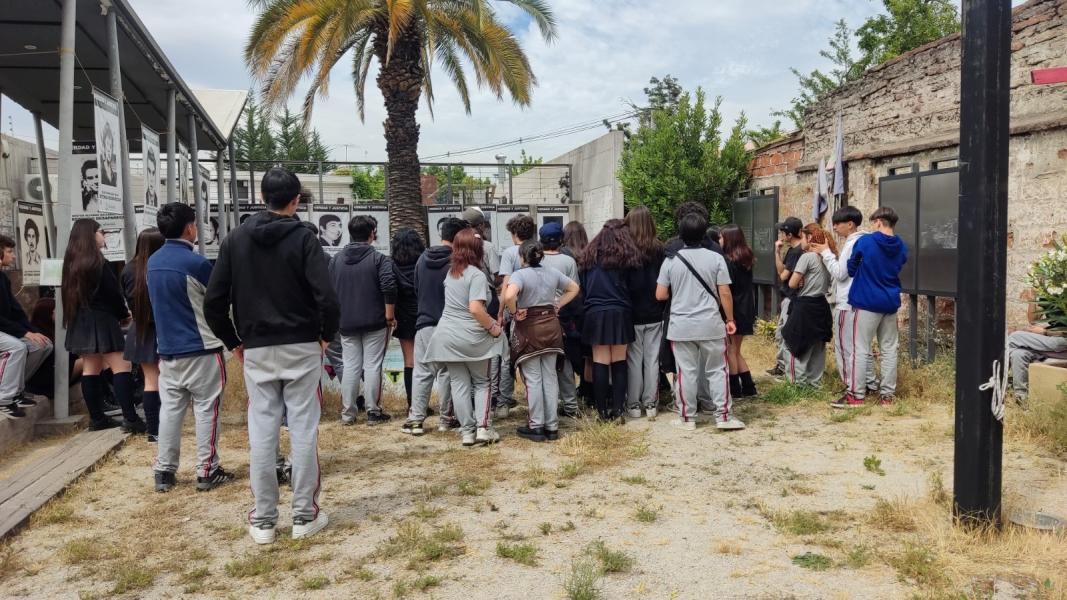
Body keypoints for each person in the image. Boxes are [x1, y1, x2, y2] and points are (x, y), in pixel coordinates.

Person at [204, 167, 339, 544]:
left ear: (261, 198)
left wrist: (233, 342)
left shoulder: (234, 239)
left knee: (262, 431)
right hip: (302, 345)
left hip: (257, 347)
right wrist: (325, 336)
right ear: (296, 201)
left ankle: (263, 519)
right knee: (303, 428)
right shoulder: (305, 238)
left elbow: (214, 302)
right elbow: (327, 298)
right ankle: (304, 514)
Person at [147, 204, 234, 492]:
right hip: (201, 349)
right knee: (207, 410)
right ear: (189, 228)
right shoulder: (196, 264)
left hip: (167, 350)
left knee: (170, 411)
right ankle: (207, 470)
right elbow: (220, 300)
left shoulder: (153, 262)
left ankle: (164, 470)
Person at [656, 211, 742, 431]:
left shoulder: (671, 261)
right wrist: (730, 319)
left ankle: (687, 418)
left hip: (681, 325)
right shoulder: (716, 258)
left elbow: (660, 295)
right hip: (711, 323)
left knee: (686, 372)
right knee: (717, 370)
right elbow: (725, 293)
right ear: (704, 233)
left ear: (681, 234)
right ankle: (723, 416)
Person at [62, 219, 144, 432]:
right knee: (122, 367)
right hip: (102, 320)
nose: (104, 235)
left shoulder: (71, 263)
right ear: (90, 235)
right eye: (101, 231)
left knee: (91, 368)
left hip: (80, 320)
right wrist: (123, 314)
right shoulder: (98, 262)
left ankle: (97, 419)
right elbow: (113, 294)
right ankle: (131, 418)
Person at [425, 228, 505, 446]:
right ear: (477, 249)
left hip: (447, 336)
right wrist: (493, 328)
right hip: (472, 337)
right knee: (482, 382)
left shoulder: (451, 273)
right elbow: (476, 309)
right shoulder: (477, 275)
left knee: (459, 384)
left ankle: (467, 432)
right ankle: (483, 428)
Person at [502, 240, 579, 441]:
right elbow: (574, 287)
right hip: (552, 327)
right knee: (550, 377)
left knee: (534, 379)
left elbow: (509, 295)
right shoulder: (552, 272)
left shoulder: (519, 274)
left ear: (522, 257)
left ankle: (536, 425)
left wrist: (514, 312)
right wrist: (558, 304)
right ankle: (552, 426)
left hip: (530, 329)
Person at [833, 206, 907, 408]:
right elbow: (900, 263)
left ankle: (856, 396)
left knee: (859, 349)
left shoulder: (866, 241)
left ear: (879, 222)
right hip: (890, 301)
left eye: (874, 222)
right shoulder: (901, 245)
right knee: (889, 349)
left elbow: (850, 269)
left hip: (866, 301)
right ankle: (887, 396)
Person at [330, 215, 396, 426]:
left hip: (346, 323)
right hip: (375, 321)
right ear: (372, 234)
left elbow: (330, 290)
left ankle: (348, 414)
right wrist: (389, 316)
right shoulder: (379, 259)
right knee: (372, 366)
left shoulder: (336, 260)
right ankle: (373, 412)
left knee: (350, 366)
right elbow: (389, 287)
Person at [401, 218, 465, 436]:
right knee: (447, 372)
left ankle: (415, 420)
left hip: (425, 323)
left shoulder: (422, 259)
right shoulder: (458, 261)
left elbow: (417, 289)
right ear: (458, 237)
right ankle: (447, 419)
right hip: (450, 324)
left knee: (421, 372)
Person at [811, 206, 876, 397]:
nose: (835, 227)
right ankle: (870, 384)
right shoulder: (868, 240)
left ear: (850, 224)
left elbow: (840, 273)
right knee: (862, 347)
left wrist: (825, 252)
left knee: (845, 347)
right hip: (862, 301)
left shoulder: (851, 243)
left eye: (838, 223)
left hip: (847, 302)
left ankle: (851, 386)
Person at [580, 219, 641, 422]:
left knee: (600, 360)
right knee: (619, 360)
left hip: (595, 312)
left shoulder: (588, 256)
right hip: (621, 312)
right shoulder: (627, 256)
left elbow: (583, 287)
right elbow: (633, 288)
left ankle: (601, 412)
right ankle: (618, 410)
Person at [0, 236, 53, 419]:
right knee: (17, 347)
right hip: (3, 330)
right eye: (9, 251)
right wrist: (23, 333)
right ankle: (4, 399)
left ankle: (16, 391)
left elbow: (16, 311)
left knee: (43, 345)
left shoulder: (3, 278)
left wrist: (32, 332)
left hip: (5, 329)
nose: (14, 256)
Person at [122, 228, 164, 441]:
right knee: (165, 381)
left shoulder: (128, 269)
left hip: (139, 330)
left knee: (150, 380)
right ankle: (161, 427)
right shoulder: (160, 267)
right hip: (162, 329)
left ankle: (153, 431)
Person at [624, 206, 666, 419]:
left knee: (633, 360)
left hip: (632, 314)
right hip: (655, 312)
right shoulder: (660, 249)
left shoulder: (625, 250)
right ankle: (650, 403)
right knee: (652, 359)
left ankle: (633, 404)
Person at [781, 224, 834, 387]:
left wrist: (800, 279)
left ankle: (797, 384)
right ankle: (814, 384)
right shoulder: (829, 257)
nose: (801, 241)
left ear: (809, 238)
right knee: (817, 345)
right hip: (821, 305)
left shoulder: (807, 257)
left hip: (805, 305)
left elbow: (792, 283)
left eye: (803, 237)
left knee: (792, 343)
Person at [539, 222, 582, 418]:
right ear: (561, 241)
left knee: (543, 362)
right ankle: (571, 405)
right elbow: (575, 289)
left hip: (539, 317)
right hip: (563, 317)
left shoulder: (535, 259)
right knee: (564, 361)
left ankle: (550, 404)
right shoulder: (568, 261)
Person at [496, 214, 536, 413]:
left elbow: (506, 286)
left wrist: (501, 312)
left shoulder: (510, 253)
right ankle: (534, 399)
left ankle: (503, 402)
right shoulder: (538, 249)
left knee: (508, 356)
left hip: (515, 309)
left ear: (514, 233)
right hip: (536, 310)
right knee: (532, 356)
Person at [719, 224, 758, 398]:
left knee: (731, 350)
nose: (719, 240)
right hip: (747, 307)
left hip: (734, 308)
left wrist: (728, 317)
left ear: (729, 239)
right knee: (736, 350)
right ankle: (749, 387)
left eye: (721, 237)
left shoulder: (728, 261)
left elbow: (727, 289)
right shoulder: (746, 257)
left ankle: (735, 389)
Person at [1008, 289, 1067, 401]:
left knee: (1015, 337)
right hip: (1054, 346)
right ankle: (1021, 397)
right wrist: (1032, 299)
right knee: (1018, 354)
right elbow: (1033, 321)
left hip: (1060, 343)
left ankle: (992, 378)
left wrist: (1046, 332)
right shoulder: (1050, 291)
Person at [391, 228, 425, 410]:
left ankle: (413, 404)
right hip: (425, 315)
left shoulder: (392, 266)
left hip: (403, 317)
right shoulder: (424, 263)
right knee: (430, 361)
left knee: (409, 361)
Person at [769, 217, 806, 378]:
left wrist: (777, 252)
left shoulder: (796, 252)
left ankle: (784, 368)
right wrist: (777, 252)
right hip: (790, 297)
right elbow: (782, 270)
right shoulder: (793, 250)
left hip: (792, 298)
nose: (781, 235)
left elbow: (783, 275)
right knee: (781, 332)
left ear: (789, 234)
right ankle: (782, 365)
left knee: (783, 333)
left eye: (783, 232)